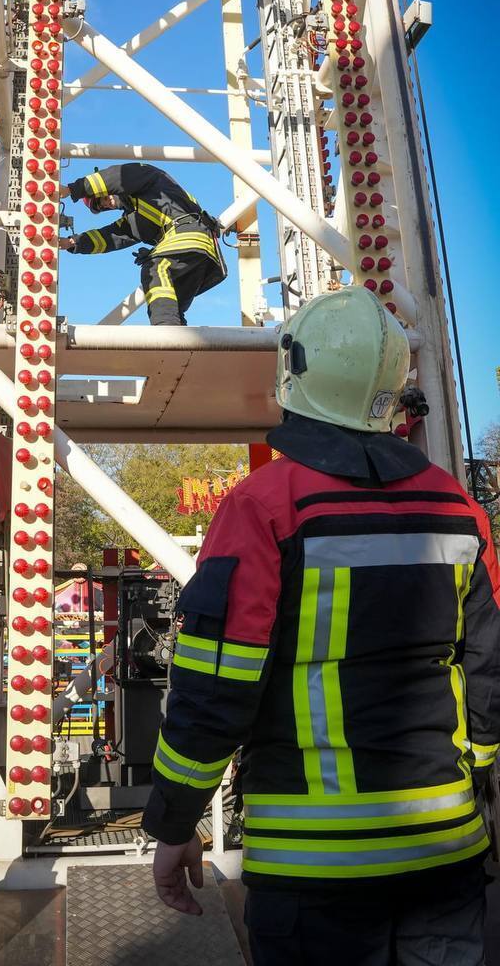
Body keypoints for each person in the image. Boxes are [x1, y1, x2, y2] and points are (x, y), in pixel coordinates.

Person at [142, 286, 500, 965]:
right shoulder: (460, 511)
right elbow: (487, 674)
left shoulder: (263, 508)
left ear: (294, 372)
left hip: (316, 876)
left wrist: (174, 820)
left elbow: (217, 688)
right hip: (446, 852)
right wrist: (478, 786)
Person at [59, 162, 226, 325]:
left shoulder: (147, 178)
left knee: (154, 268)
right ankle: (177, 347)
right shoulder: (138, 216)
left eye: (103, 197)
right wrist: (72, 243)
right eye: (101, 206)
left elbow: (116, 176)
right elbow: (111, 237)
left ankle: (165, 333)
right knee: (172, 304)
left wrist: (72, 190)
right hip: (203, 251)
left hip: (189, 235)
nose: (105, 203)